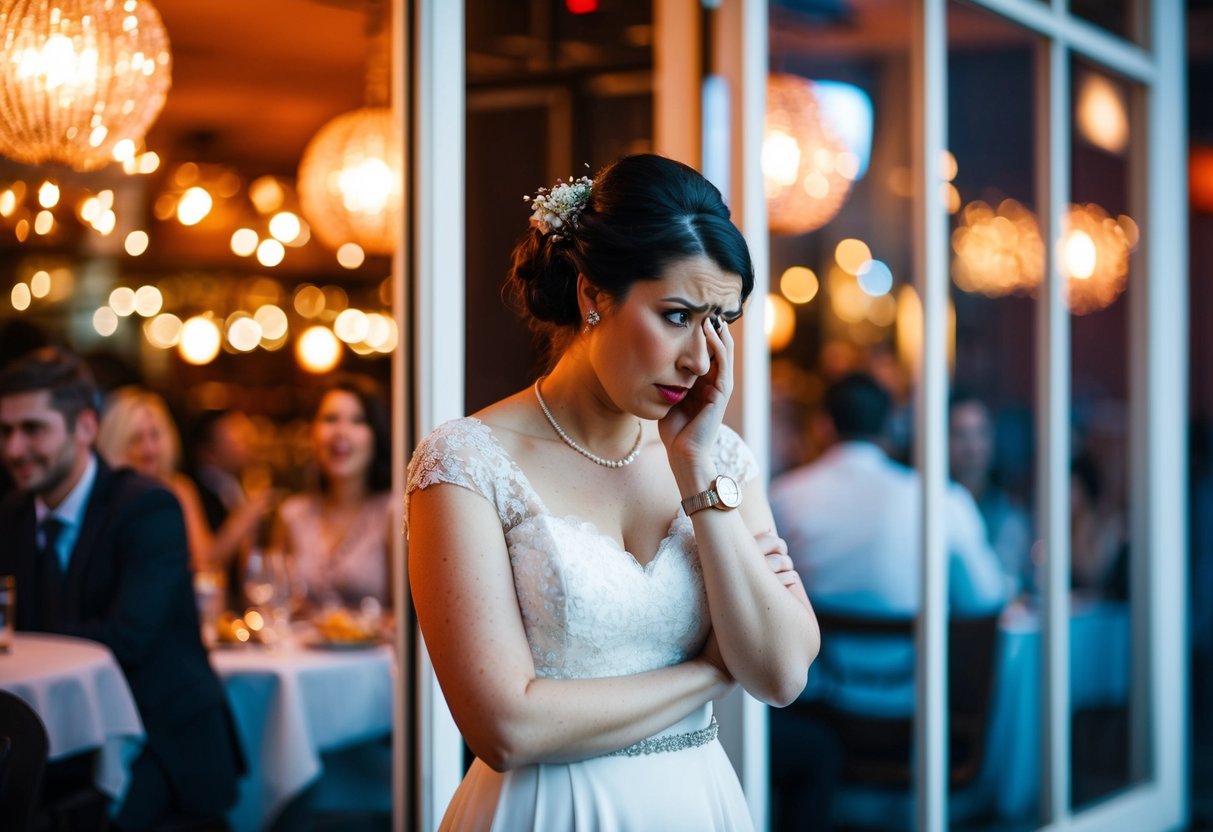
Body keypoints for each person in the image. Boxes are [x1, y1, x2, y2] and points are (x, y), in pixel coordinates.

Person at [406, 154, 818, 830]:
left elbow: (778, 675)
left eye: (720, 323)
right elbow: (505, 728)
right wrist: (713, 673)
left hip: (701, 804)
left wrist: (695, 473)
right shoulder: (465, 464)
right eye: (677, 315)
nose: (699, 359)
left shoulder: (720, 461)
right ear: (593, 294)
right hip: (547, 812)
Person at [0, 347, 241, 829]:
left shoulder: (148, 507)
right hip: (58, 737)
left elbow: (127, 638)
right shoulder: (12, 515)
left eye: (33, 429)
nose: (13, 450)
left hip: (158, 741)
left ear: (86, 427)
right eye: (4, 431)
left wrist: (26, 638)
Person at [96, 386, 266, 573]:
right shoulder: (106, 498)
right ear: (116, 443)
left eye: (155, 435)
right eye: (136, 439)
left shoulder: (178, 488)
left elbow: (203, 566)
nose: (149, 449)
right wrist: (246, 516)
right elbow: (205, 562)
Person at [272, 374, 393, 611]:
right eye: (330, 419)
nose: (341, 432)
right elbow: (275, 603)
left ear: (376, 435)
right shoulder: (292, 515)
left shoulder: (393, 513)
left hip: (376, 649)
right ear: (311, 434)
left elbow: (410, 617)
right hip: (300, 648)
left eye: (358, 420)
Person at [948, 391, 1034, 596]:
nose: (973, 447)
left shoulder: (1009, 512)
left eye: (981, 433)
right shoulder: (930, 506)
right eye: (961, 434)